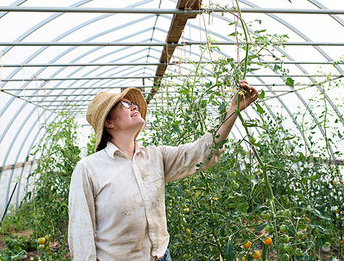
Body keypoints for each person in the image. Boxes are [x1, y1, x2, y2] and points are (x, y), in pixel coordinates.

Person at [68, 80, 259, 260]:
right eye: (124, 105)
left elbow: (203, 152)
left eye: (132, 104)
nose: (134, 106)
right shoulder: (89, 169)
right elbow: (81, 235)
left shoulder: (155, 157)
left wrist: (233, 110)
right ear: (108, 123)